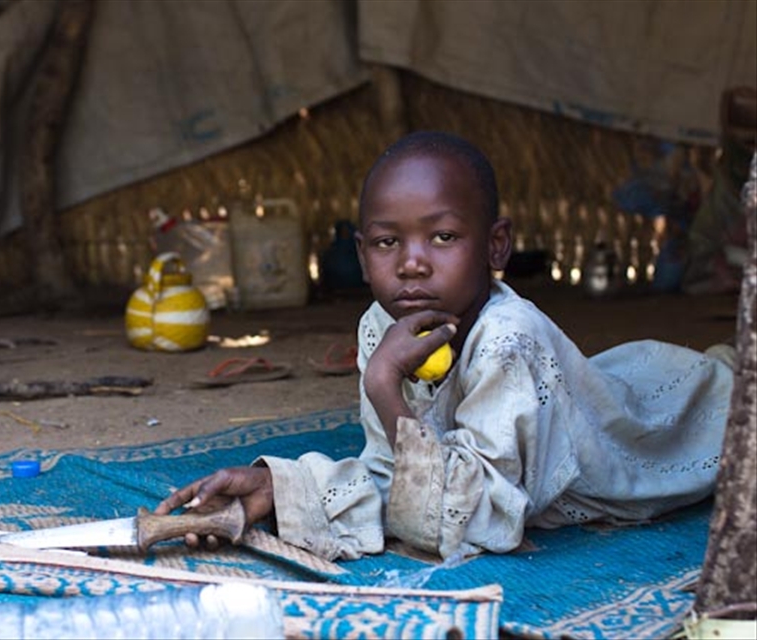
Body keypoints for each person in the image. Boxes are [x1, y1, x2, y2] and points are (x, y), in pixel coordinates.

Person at [155, 131, 734, 562]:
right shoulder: (380, 328)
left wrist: (385, 388)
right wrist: (276, 489)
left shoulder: (509, 337)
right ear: (361, 255)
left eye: (443, 236)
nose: (411, 262)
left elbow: (468, 520)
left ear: (496, 246)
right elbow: (394, 476)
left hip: (670, 424)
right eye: (387, 242)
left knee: (729, 403)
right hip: (596, 384)